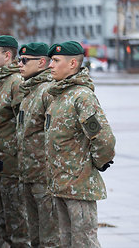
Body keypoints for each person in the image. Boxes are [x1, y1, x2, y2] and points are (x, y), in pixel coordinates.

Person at [45, 41, 115, 247]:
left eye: (56, 61)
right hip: (60, 184)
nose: (50, 65)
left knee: (84, 242)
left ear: (73, 63)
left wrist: (97, 163)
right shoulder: (58, 95)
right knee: (65, 241)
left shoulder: (82, 96)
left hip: (79, 186)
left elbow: (104, 138)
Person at [0, 35, 30, 247]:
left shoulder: (16, 83)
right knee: (0, 222)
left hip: (12, 167)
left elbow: (24, 125)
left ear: (8, 55)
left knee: (17, 224)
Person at [16, 42, 59, 247]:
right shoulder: (29, 90)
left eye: (24, 60)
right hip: (29, 174)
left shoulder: (48, 91)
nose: (19, 65)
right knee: (35, 237)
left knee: (50, 238)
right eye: (18, 60)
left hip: (44, 177)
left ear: (42, 62)